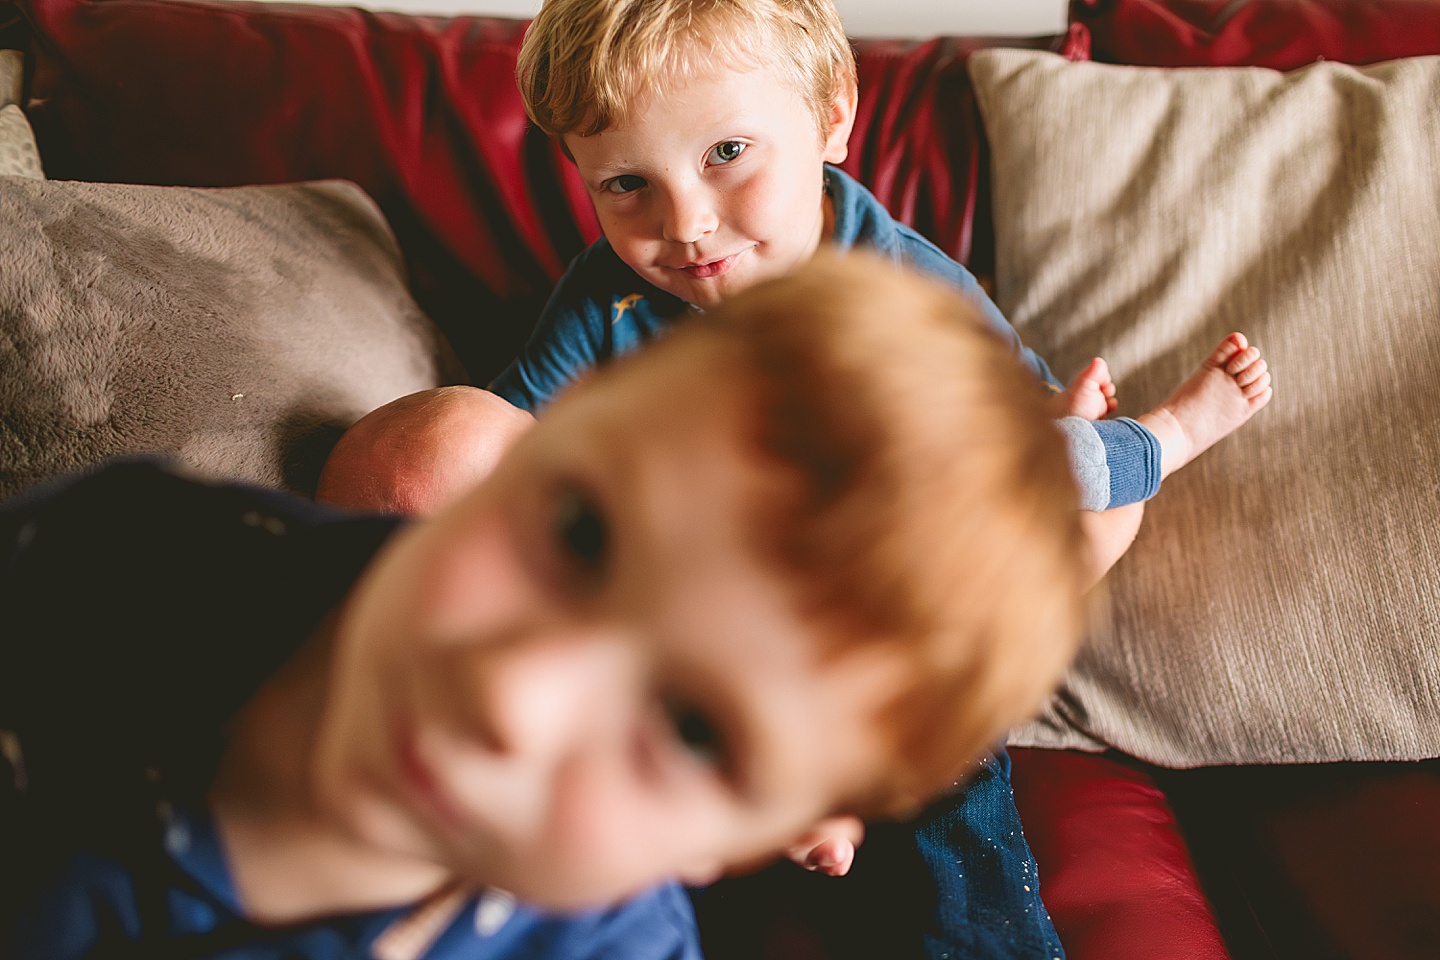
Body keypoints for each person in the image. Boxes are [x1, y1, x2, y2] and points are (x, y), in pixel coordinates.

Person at [320, 0, 1272, 954]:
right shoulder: (609, 300)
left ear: (832, 117)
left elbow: (1007, 461)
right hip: (698, 631)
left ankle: (1161, 439)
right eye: (625, 186)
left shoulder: (905, 286)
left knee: (1004, 589)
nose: (685, 225)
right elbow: (508, 451)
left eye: (727, 153)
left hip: (878, 609)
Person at [1, 254, 1090, 960]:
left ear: (755, 843)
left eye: (694, 727)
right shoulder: (128, 556)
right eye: (579, 535)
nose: (515, 696)